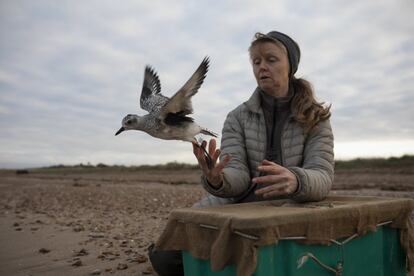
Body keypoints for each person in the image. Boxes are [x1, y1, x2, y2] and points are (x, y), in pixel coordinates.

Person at [149, 30, 334, 276]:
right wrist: (218, 179)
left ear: (290, 65)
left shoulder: (316, 117)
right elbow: (238, 177)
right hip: (238, 203)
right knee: (166, 257)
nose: (262, 67)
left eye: (271, 59)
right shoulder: (237, 117)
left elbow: (322, 175)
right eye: (256, 62)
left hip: (294, 206)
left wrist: (296, 180)